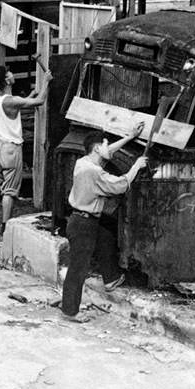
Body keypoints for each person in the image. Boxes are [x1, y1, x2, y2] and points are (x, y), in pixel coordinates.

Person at [61, 125, 148, 322]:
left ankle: (111, 279)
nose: (109, 148)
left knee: (106, 237)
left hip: (83, 219)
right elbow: (120, 185)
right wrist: (136, 165)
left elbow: (108, 152)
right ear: (97, 148)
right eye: (106, 144)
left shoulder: (83, 162)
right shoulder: (94, 172)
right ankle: (70, 311)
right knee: (78, 268)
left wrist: (129, 137)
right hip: (83, 224)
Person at [0, 64, 52, 231]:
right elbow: (40, 102)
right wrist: (47, 81)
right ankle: (5, 225)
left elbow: (18, 104)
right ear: (6, 79)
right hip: (10, 149)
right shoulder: (12, 101)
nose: (12, 74)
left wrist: (32, 94)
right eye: (9, 73)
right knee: (9, 191)